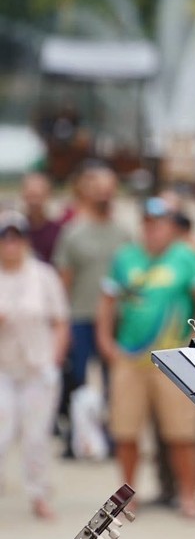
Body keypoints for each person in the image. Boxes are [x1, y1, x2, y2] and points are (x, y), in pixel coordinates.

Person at [97, 196, 195, 518]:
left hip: (172, 361)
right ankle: (126, 496)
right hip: (130, 359)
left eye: (160, 224)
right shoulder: (125, 257)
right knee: (126, 432)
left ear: (170, 226)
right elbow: (108, 300)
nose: (153, 230)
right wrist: (105, 341)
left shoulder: (186, 257)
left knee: (181, 433)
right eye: (148, 224)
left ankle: (189, 496)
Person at [52, 166, 131, 451]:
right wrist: (62, 324)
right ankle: (78, 438)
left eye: (108, 189)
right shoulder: (73, 234)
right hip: (82, 317)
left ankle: (111, 435)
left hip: (116, 320)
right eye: (98, 189)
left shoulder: (123, 234)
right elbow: (64, 282)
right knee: (80, 379)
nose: (103, 195)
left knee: (115, 380)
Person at [0, 210, 69, 520]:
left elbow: (60, 321)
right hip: (3, 367)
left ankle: (39, 493)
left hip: (37, 367)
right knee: (2, 433)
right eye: (5, 238)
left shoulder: (43, 275)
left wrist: (54, 360)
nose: (10, 244)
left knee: (36, 436)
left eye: (16, 237)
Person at [20, 171, 62, 263]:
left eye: (37, 196)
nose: (34, 202)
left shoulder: (58, 231)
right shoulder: (15, 229)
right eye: (30, 196)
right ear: (23, 195)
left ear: (48, 195)